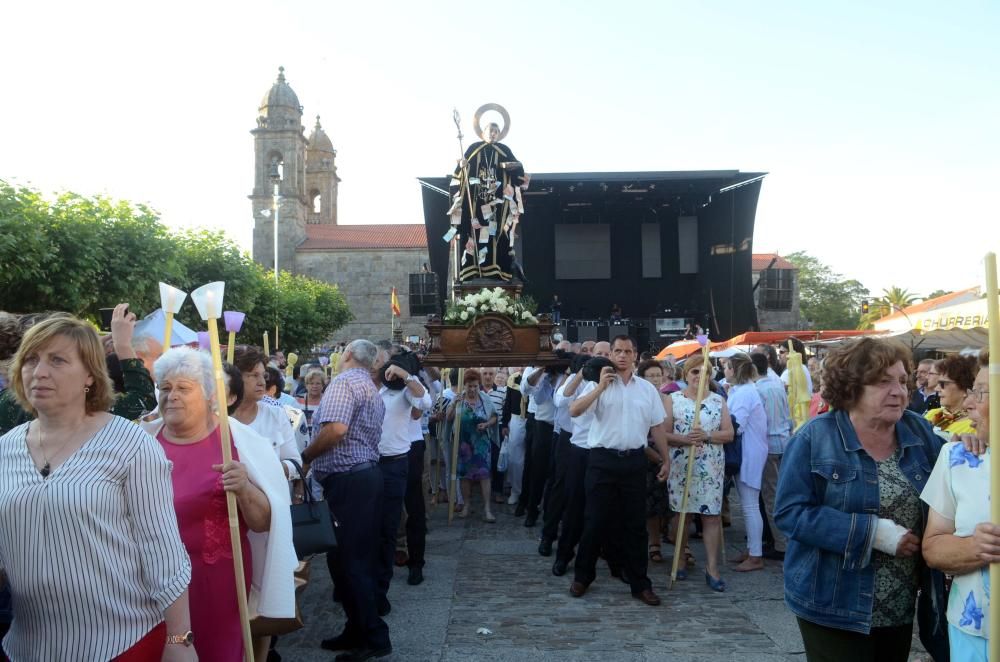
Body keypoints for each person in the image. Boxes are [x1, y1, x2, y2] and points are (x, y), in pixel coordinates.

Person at [0, 315, 195, 661]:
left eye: (57, 360)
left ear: (90, 374)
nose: (39, 371)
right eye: (31, 359)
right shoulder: (6, 448)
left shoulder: (129, 443)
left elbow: (161, 548)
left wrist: (180, 640)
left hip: (121, 643)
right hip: (27, 648)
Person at [775, 337, 946, 661]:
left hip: (901, 604)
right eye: (883, 382)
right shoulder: (814, 438)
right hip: (832, 602)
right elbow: (790, 513)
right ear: (851, 387)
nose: (898, 391)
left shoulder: (921, 433)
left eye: (902, 381)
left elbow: (953, 480)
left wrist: (972, 444)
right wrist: (872, 534)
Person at [143, 347, 297, 662]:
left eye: (183, 388)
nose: (171, 396)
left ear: (210, 396)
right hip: (151, 583)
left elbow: (264, 521)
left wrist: (243, 488)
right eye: (165, 388)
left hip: (217, 581)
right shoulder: (142, 439)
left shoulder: (238, 442)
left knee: (216, 652)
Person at [303, 339, 391, 660]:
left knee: (352, 562)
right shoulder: (369, 386)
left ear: (348, 355)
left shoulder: (344, 382)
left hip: (351, 480)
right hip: (362, 478)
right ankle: (356, 629)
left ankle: (373, 636)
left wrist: (306, 456)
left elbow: (337, 429)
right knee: (345, 561)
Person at [568, 336, 672, 607]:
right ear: (611, 354)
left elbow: (657, 427)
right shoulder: (597, 383)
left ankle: (640, 584)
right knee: (595, 521)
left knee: (635, 525)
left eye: (628, 351)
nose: (623, 356)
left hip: (634, 462)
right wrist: (600, 387)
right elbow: (574, 410)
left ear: (635, 355)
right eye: (618, 351)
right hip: (602, 460)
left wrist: (665, 460)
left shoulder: (647, 390)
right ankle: (583, 576)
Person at [922, 350, 993, 661]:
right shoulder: (959, 459)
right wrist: (976, 548)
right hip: (972, 637)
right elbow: (933, 548)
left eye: (980, 392)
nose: (968, 403)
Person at [663, 353, 735, 590]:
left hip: (711, 466)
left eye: (705, 371)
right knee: (682, 515)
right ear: (686, 374)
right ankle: (681, 556)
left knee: (711, 515)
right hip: (682, 464)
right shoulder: (673, 399)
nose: (699, 376)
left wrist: (707, 435)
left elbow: (729, 434)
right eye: (695, 371)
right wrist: (684, 439)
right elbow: (663, 434)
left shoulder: (718, 401)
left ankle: (712, 567)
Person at [449, 119, 527, 282]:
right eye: (490, 131)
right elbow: (458, 174)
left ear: (499, 135)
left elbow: (520, 174)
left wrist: (511, 167)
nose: (493, 134)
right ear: (483, 132)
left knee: (497, 233)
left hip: (498, 204)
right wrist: (463, 165)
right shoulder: (473, 148)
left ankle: (496, 269)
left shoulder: (504, 150)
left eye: (496, 132)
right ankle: (473, 269)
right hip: (476, 203)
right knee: (475, 231)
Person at [722, 353, 769, 572]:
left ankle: (756, 554)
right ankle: (752, 549)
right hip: (749, 450)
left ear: (734, 370)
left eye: (727, 367)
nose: (724, 370)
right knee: (748, 504)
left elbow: (736, 425)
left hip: (749, 451)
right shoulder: (744, 390)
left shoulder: (745, 393)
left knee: (749, 505)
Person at [231, 345, 303, 481]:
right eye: (254, 375)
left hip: (270, 499)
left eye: (264, 376)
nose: (262, 382)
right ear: (234, 379)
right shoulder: (216, 418)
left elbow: (295, 464)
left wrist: (266, 469)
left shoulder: (276, 415)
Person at [750, 351, 793, 560]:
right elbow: (788, 414)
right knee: (780, 493)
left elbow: (760, 422)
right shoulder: (776, 384)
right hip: (784, 442)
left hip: (769, 445)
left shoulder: (757, 390)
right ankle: (778, 540)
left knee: (771, 496)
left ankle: (781, 544)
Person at [445, 369, 500, 522]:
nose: (472, 389)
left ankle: (487, 509)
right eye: (469, 386)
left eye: (475, 386)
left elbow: (495, 416)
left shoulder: (484, 399)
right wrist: (453, 404)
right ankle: (466, 505)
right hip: (463, 444)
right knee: (464, 476)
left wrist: (487, 424)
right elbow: (448, 419)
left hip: (481, 444)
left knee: (484, 475)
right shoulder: (458, 399)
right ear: (465, 385)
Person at [636, 360, 670, 564]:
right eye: (651, 375)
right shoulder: (640, 399)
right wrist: (655, 456)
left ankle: (677, 541)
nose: (656, 379)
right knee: (651, 503)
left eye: (659, 374)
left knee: (669, 503)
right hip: (646, 454)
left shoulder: (670, 398)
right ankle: (653, 542)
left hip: (668, 453)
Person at [924, 353, 977, 438]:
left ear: (965, 389)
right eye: (938, 383)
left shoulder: (973, 425)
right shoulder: (933, 414)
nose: (936, 389)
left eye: (943, 384)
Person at [479, 367, 507, 504]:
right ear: (481, 375)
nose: (488, 376)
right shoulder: (475, 391)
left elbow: (505, 411)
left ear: (495, 375)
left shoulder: (502, 392)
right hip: (478, 430)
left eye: (491, 374)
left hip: (497, 429)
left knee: (497, 460)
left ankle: (497, 491)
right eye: (485, 373)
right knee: (479, 459)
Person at [501, 370, 527, 505]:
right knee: (515, 459)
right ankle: (516, 491)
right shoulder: (513, 379)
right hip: (517, 419)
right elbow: (508, 403)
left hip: (536, 419)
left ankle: (530, 492)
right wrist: (505, 423)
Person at [297, 367, 327, 437]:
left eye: (318, 383)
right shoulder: (297, 400)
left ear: (323, 385)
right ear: (306, 385)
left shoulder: (327, 400)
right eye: (311, 383)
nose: (314, 386)